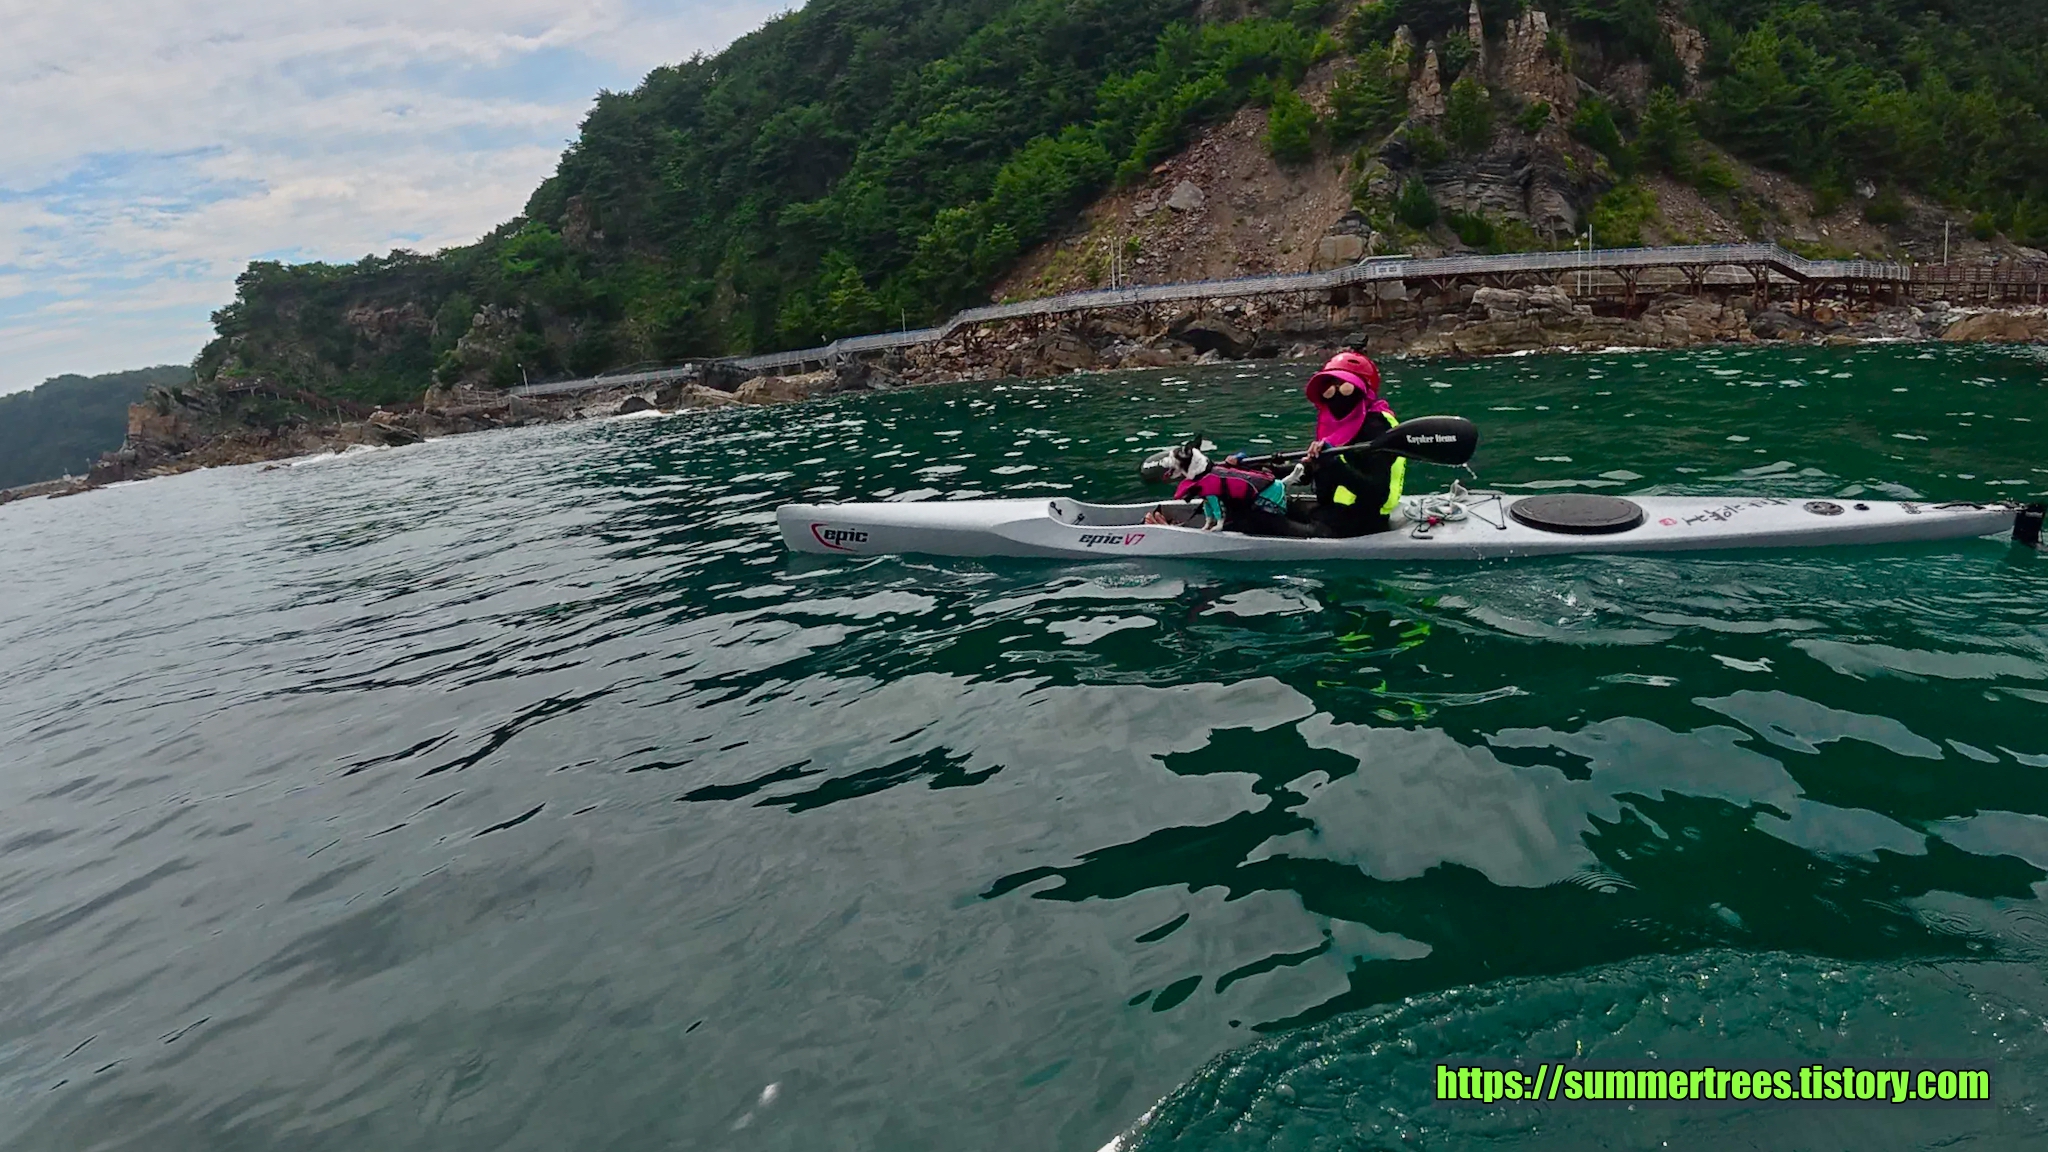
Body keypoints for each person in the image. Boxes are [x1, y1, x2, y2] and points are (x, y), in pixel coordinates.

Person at [1288, 349, 1405, 537]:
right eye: (1329, 389)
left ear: (1363, 390)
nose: (1337, 395)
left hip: (1364, 521)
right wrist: (1269, 470)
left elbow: (1376, 493)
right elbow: (1314, 473)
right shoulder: (1336, 425)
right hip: (1333, 512)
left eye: (1346, 388)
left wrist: (1331, 463)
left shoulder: (1376, 426)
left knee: (1254, 520)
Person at [1143, 443, 1310, 536]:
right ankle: (1182, 527)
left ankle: (1179, 531)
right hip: (1261, 500)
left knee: (1255, 520)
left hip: (1267, 509)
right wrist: (1241, 465)